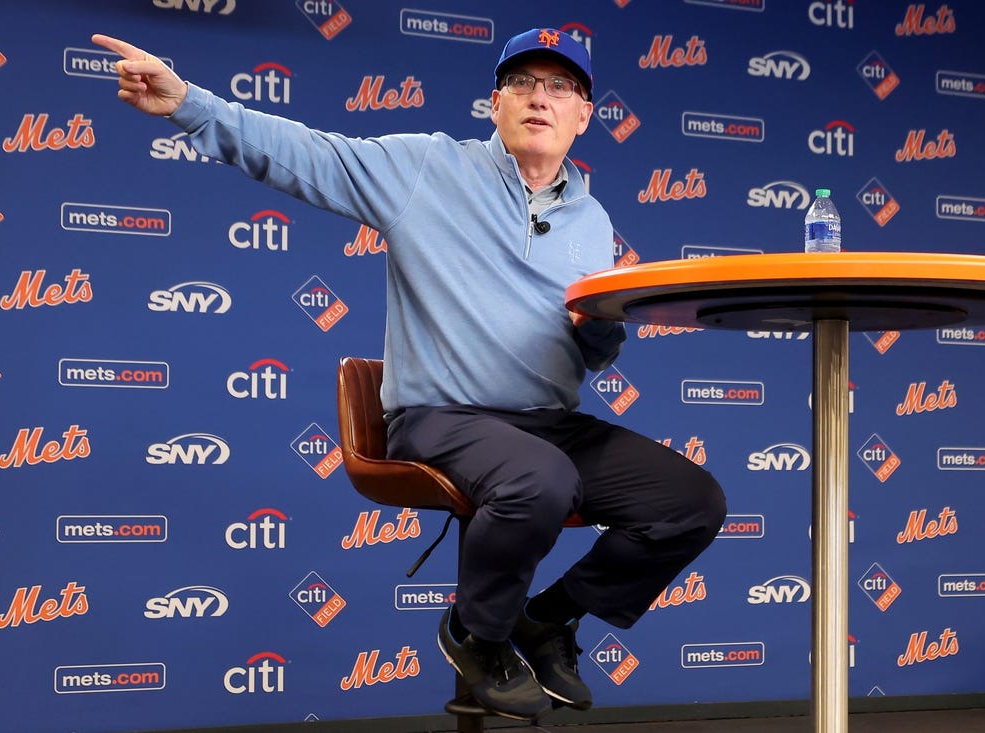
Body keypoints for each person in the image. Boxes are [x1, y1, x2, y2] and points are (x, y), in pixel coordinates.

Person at [93, 28, 726, 721]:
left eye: (560, 87)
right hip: (442, 416)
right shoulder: (428, 167)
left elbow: (596, 351)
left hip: (549, 421)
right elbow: (307, 153)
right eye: (522, 83)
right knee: (538, 479)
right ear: (495, 104)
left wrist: (601, 329)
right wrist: (189, 103)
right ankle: (477, 633)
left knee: (689, 500)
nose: (539, 98)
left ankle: (546, 620)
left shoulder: (591, 219)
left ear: (584, 114)